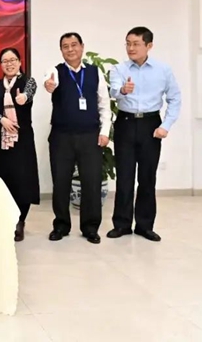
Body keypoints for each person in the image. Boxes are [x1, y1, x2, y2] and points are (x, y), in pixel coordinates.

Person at [106, 27, 181, 242]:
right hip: (125, 123)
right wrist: (123, 90)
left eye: (136, 44)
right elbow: (113, 91)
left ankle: (145, 226)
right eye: (128, 43)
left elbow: (175, 98)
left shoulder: (163, 70)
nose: (131, 48)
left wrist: (165, 125)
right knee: (125, 177)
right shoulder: (119, 68)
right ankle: (121, 224)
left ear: (149, 46)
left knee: (147, 177)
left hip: (151, 124)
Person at [44, 32, 111, 244]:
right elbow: (49, 83)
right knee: (61, 182)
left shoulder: (94, 72)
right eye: (65, 46)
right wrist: (49, 85)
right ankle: (61, 225)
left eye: (74, 45)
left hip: (90, 136)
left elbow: (104, 104)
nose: (70, 49)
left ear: (82, 47)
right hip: (61, 137)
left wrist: (105, 132)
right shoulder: (55, 71)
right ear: (61, 50)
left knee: (91, 182)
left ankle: (90, 227)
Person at [0, 48, 40, 242]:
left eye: (12, 60)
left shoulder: (28, 81)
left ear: (19, 62)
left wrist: (23, 97)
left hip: (22, 139)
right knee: (5, 179)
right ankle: (7, 219)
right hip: (3, 140)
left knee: (23, 179)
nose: (9, 64)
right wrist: (2, 120)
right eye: (5, 61)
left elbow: (29, 93)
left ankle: (20, 221)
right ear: (1, 65)